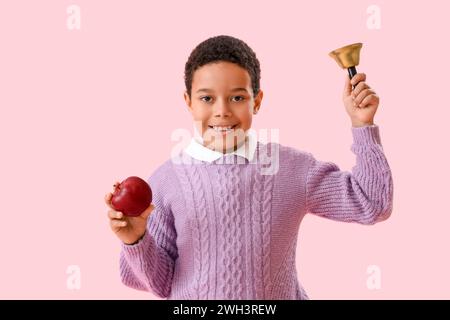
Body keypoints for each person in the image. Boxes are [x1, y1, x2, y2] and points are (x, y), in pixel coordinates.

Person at [105, 35, 393, 300]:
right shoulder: (166, 181)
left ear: (256, 101)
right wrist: (136, 240)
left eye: (237, 97)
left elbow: (372, 203)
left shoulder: (292, 170)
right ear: (188, 102)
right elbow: (159, 283)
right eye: (207, 98)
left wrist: (362, 124)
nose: (222, 111)